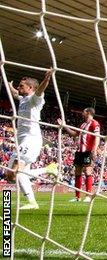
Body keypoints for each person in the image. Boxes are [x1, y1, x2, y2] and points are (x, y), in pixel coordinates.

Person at [5, 70, 58, 210]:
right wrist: (9, 85)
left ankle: (32, 201)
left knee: (16, 171)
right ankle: (46, 171)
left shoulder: (35, 99)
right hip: (20, 141)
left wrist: (46, 79)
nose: (19, 88)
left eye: (22, 86)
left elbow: (40, 90)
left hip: (31, 139)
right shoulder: (22, 99)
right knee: (10, 175)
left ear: (30, 88)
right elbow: (15, 93)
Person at [58, 107, 100, 203]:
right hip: (79, 152)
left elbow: (97, 137)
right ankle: (77, 197)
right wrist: (64, 126)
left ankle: (88, 196)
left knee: (88, 171)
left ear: (88, 113)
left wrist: (94, 150)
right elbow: (74, 134)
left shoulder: (95, 123)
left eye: (83, 112)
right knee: (77, 173)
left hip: (88, 151)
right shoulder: (83, 125)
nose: (82, 113)